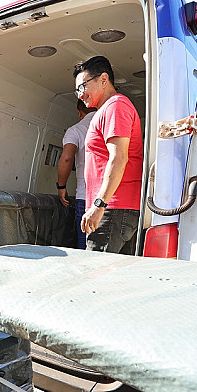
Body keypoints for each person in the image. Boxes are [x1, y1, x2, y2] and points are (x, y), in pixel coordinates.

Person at [74, 55, 144, 254]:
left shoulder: (116, 106)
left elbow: (119, 157)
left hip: (113, 208)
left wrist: (99, 204)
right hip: (112, 208)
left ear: (103, 79)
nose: (80, 95)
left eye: (82, 87)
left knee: (97, 276)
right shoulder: (105, 110)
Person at [57, 99, 97, 249]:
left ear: (80, 113)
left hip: (85, 196)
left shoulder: (75, 130)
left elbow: (67, 158)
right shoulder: (108, 126)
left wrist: (61, 186)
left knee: (85, 246)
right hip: (111, 198)